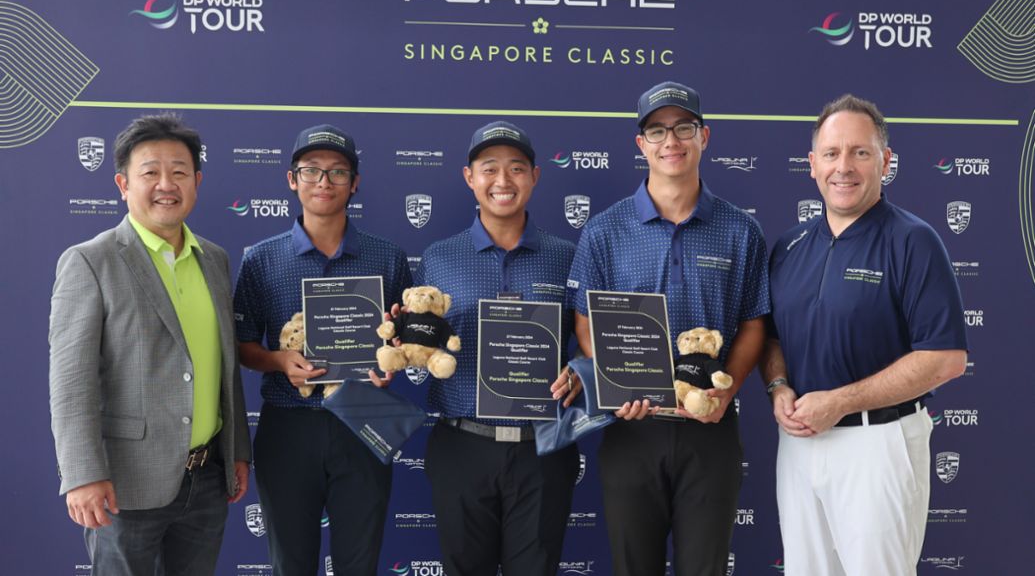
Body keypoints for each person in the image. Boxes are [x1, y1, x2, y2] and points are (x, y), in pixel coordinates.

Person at [566, 82, 770, 575]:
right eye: (656, 131)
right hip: (632, 427)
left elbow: (753, 323)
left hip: (710, 430)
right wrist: (619, 381)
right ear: (641, 144)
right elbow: (584, 320)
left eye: (683, 128)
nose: (670, 141)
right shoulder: (604, 230)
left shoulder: (740, 229)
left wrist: (728, 392)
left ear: (704, 136)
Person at [760, 94, 967, 576]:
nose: (844, 167)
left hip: (879, 444)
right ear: (812, 164)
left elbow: (945, 358)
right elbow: (772, 340)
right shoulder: (789, 246)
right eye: (831, 153)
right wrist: (777, 386)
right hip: (800, 444)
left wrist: (841, 401)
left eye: (860, 152)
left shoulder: (913, 241)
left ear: (885, 162)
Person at [49, 113, 251, 576]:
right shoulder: (90, 262)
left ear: (197, 182)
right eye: (150, 172)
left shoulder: (214, 260)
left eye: (179, 172)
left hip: (206, 482)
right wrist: (82, 474)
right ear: (123, 183)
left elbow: (225, 365)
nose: (166, 184)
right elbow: (71, 382)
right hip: (125, 483)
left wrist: (237, 451)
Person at [233, 124, 412, 576]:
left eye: (337, 172)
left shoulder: (387, 258)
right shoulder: (262, 258)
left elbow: (404, 342)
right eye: (311, 171)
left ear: (355, 183)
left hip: (363, 418)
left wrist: (392, 363)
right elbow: (242, 345)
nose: (324, 183)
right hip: (288, 427)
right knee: (291, 563)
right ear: (292, 180)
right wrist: (277, 360)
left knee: (360, 561)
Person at [405, 121, 580, 575]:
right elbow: (420, 344)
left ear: (535, 177)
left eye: (516, 169)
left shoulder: (569, 256)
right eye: (489, 169)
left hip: (542, 448)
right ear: (469, 177)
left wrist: (581, 371)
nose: (503, 181)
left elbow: (589, 341)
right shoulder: (439, 258)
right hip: (462, 444)